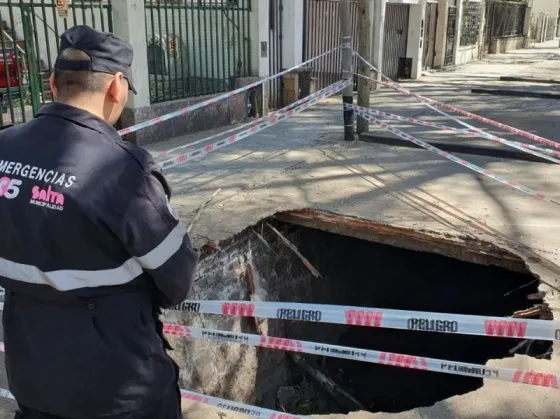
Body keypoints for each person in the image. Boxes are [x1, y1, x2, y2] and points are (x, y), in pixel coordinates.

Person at [0, 25, 199, 419]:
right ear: (117, 88)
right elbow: (177, 278)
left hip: (33, 377)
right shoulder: (122, 169)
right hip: (118, 387)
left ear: (53, 83)